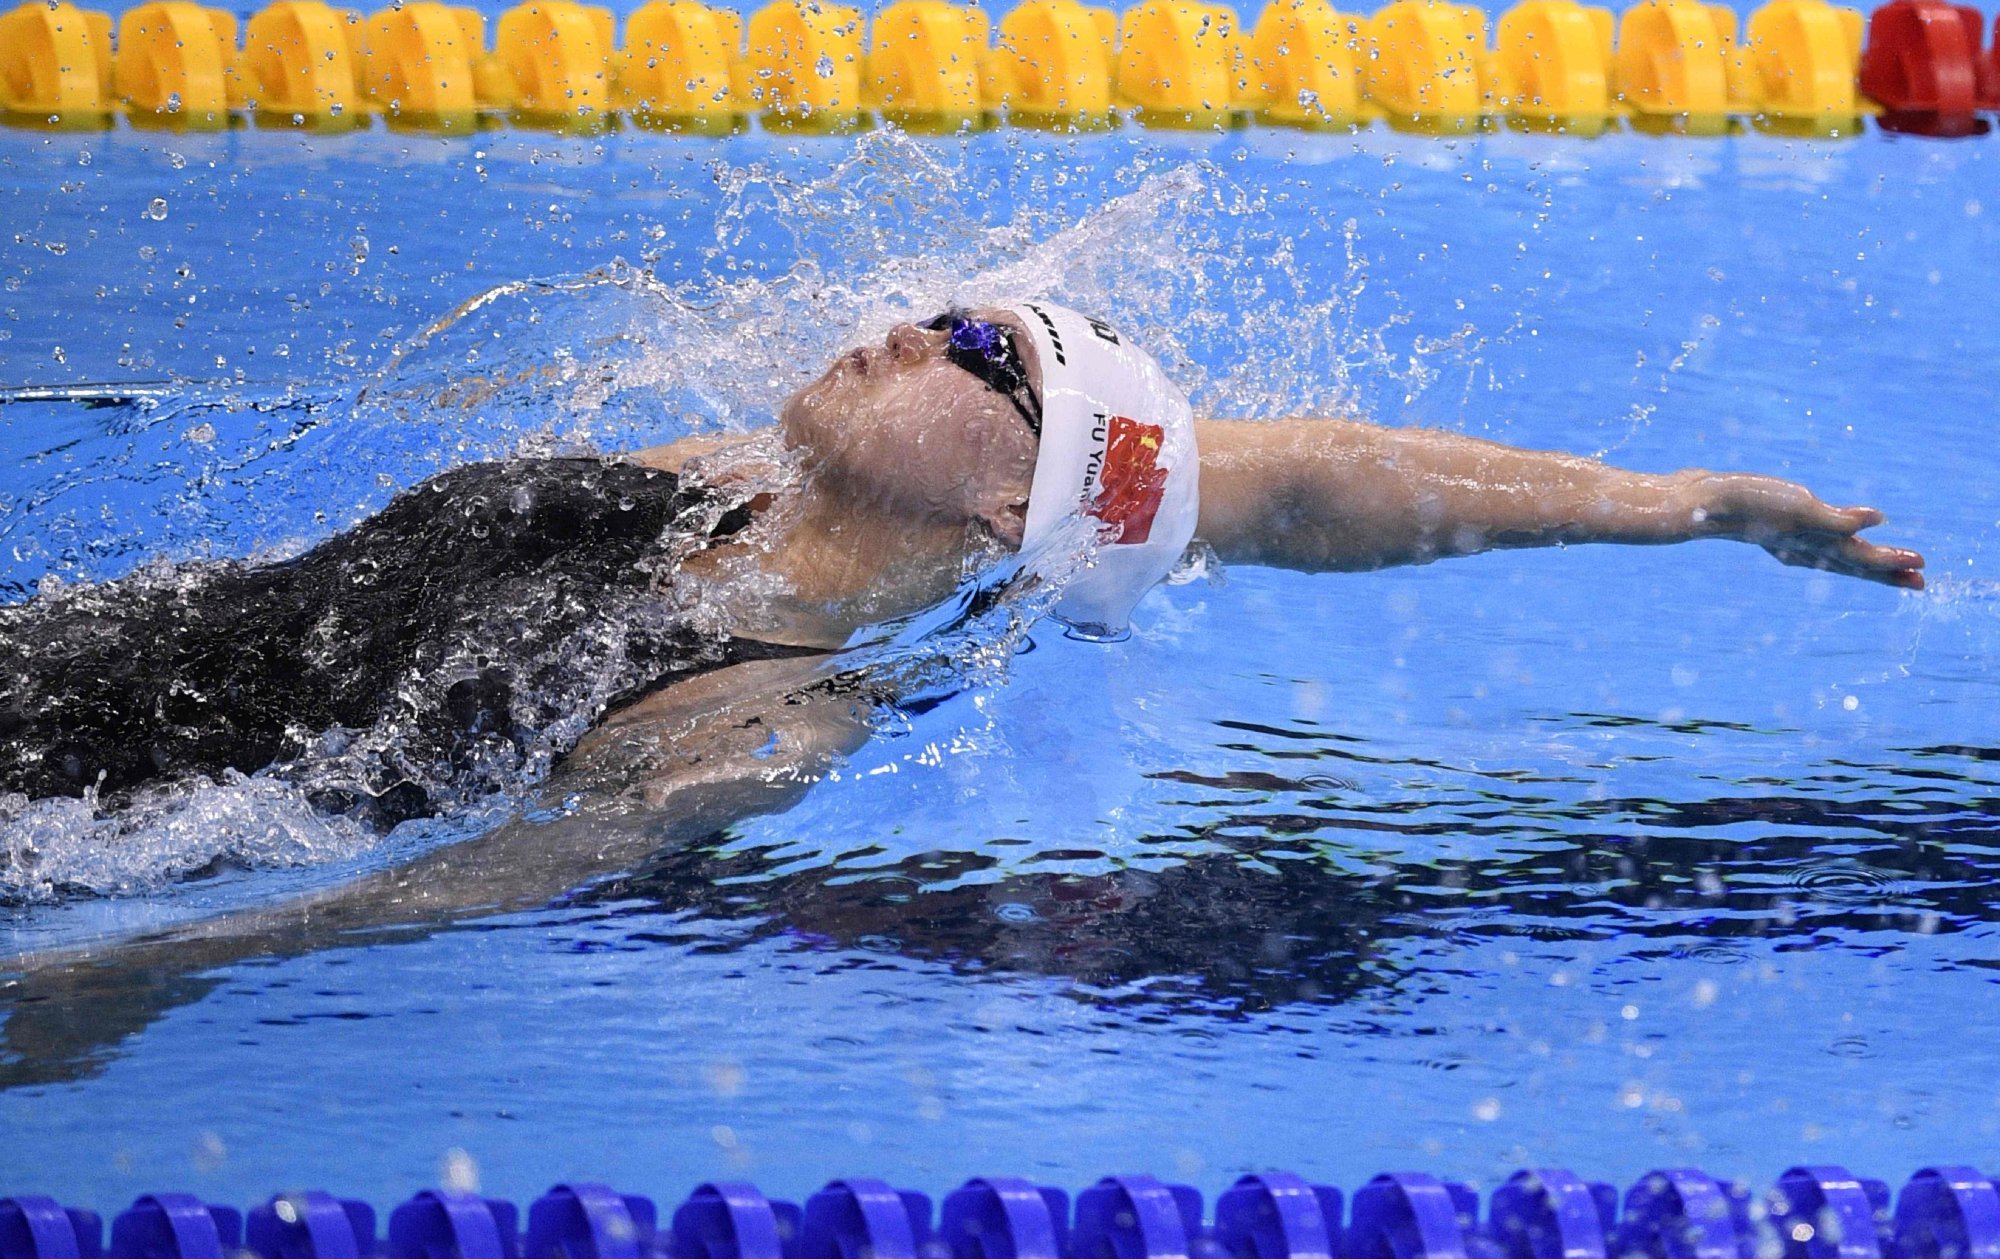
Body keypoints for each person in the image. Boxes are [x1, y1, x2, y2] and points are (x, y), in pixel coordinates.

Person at [0, 302, 1924, 849]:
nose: (915, 335)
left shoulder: (753, 719)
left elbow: (426, 906)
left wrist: (154, 984)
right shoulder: (720, 481)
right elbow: (1304, 478)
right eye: (944, 317)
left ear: (1015, 514)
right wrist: (1677, 499)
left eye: (978, 363)